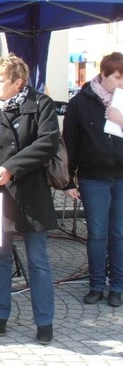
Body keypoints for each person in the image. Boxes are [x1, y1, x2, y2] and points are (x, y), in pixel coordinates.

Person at [0, 53, 58, 345]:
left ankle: (44, 321)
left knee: (38, 260)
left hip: (32, 194)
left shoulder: (41, 104)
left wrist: (11, 168)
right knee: (0, 258)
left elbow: (47, 143)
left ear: (18, 82)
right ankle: (0, 316)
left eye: (0, 81)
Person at [63, 52, 123, 308]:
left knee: (119, 234)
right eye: (117, 77)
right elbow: (70, 142)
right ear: (103, 75)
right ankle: (96, 285)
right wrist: (68, 181)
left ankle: (117, 286)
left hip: (121, 177)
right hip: (93, 178)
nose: (121, 83)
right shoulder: (81, 102)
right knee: (97, 234)